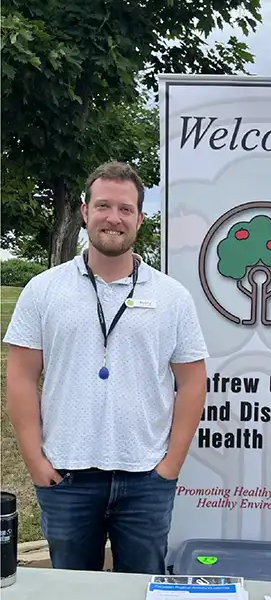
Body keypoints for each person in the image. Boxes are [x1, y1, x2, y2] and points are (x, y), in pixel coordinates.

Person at [4, 161, 208, 574]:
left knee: (143, 598)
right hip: (67, 477)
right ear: (85, 211)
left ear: (140, 219)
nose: (113, 218)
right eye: (103, 206)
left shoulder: (172, 297)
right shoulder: (44, 290)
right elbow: (22, 377)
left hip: (146, 479)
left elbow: (192, 381)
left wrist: (170, 465)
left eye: (125, 209)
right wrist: (35, 461)